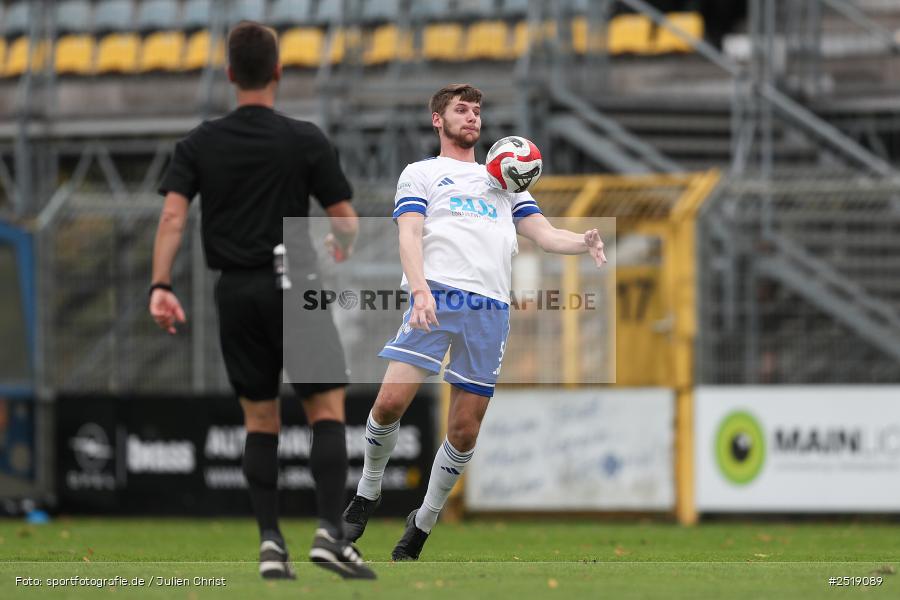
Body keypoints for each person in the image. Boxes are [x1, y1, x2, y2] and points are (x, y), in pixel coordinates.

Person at [342, 83, 607, 560]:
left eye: (477, 111)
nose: (472, 117)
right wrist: (419, 288)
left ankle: (422, 523)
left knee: (464, 431)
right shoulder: (422, 173)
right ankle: (367, 491)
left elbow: (545, 235)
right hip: (435, 297)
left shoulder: (503, 181)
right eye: (461, 110)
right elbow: (410, 233)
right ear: (438, 121)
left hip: (489, 309)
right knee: (387, 403)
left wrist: (582, 241)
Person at [148, 21, 374, 580]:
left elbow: (173, 216)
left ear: (229, 75)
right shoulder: (304, 139)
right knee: (326, 409)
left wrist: (160, 286)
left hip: (236, 291)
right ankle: (328, 534)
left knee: (259, 420)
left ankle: (271, 543)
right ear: (278, 72)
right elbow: (344, 220)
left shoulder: (199, 142)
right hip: (295, 282)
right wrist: (340, 245)